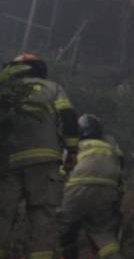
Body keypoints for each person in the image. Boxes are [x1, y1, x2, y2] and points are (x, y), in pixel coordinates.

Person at [0, 54, 79, 259]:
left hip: (8, 164)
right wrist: (72, 150)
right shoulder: (53, 88)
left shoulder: (6, 91)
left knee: (3, 215)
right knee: (42, 218)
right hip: (44, 163)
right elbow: (68, 117)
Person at [58, 113, 124, 259]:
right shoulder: (110, 146)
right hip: (107, 190)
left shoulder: (74, 146)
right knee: (103, 233)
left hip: (77, 189)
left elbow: (61, 170)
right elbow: (120, 170)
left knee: (61, 229)